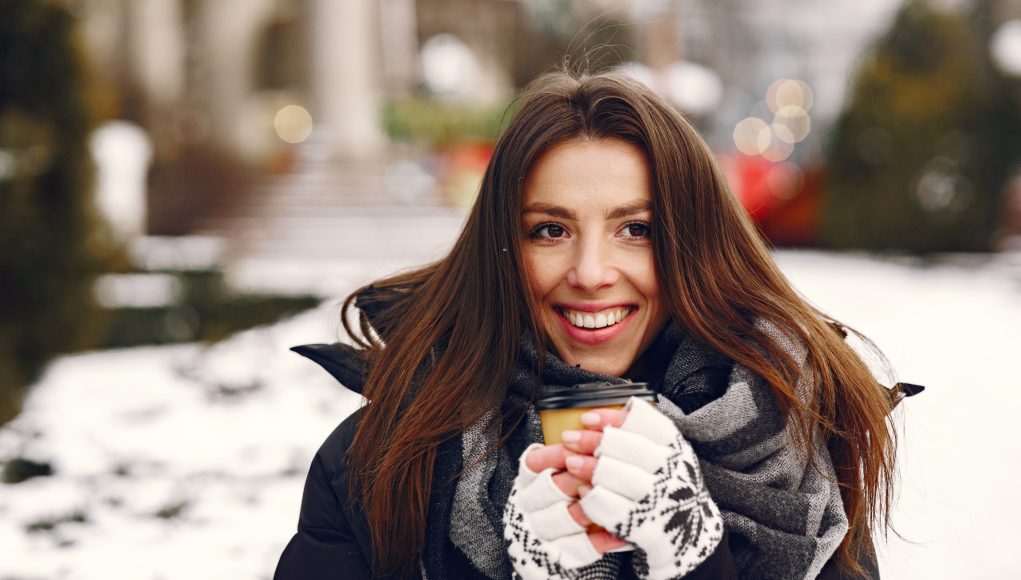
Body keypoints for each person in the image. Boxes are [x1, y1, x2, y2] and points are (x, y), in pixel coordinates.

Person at [274, 71, 905, 579]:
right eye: (550, 230)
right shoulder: (381, 459)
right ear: (502, 249)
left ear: (695, 246)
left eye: (637, 229)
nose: (591, 272)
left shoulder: (796, 443)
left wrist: (695, 560)